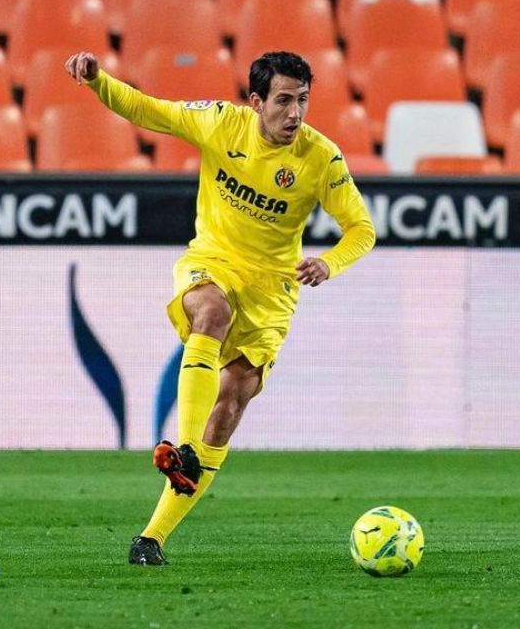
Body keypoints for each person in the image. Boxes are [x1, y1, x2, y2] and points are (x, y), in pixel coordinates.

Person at [63, 50, 376, 565]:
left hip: (272, 293)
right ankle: (184, 447)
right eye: (283, 100)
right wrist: (99, 81)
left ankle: (151, 538)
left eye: (302, 100)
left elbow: (362, 230)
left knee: (229, 407)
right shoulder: (220, 123)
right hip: (213, 261)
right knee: (211, 312)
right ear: (255, 102)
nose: (295, 113)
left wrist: (329, 263)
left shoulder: (322, 157)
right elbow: (147, 110)